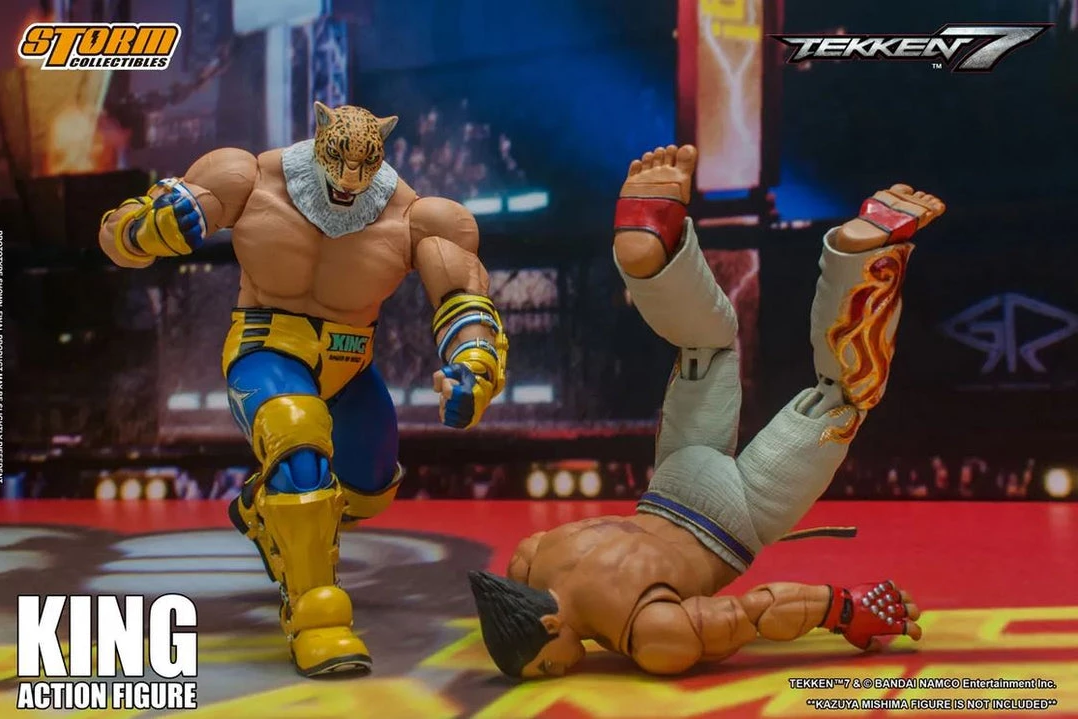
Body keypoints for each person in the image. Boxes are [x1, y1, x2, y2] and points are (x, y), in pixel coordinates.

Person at [470, 143, 943, 678]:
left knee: (841, 397)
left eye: (543, 666)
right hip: (673, 478)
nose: (552, 671)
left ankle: (866, 260)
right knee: (704, 346)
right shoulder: (534, 559)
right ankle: (658, 257)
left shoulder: (649, 633)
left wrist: (848, 609)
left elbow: (757, 611)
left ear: (551, 625)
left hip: (735, 519)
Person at [98, 102, 510, 677]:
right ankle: (318, 620)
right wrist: (149, 228)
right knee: (299, 448)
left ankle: (270, 510)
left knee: (367, 490)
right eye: (339, 160)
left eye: (364, 165)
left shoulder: (419, 217)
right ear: (320, 138)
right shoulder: (246, 177)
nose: (349, 178)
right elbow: (117, 238)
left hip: (349, 367)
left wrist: (476, 364)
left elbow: (464, 298)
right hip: (268, 350)